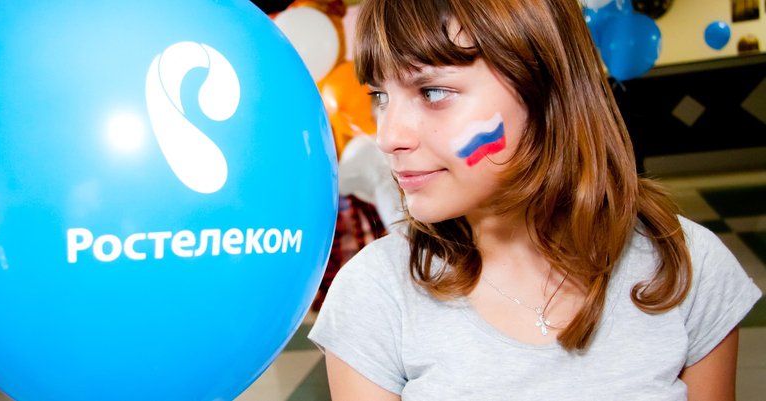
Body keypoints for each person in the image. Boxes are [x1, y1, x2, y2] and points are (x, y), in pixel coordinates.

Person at [307, 0, 763, 400]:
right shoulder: (373, 294)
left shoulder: (685, 267)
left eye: (433, 91)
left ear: (545, 88)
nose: (388, 137)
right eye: (380, 96)